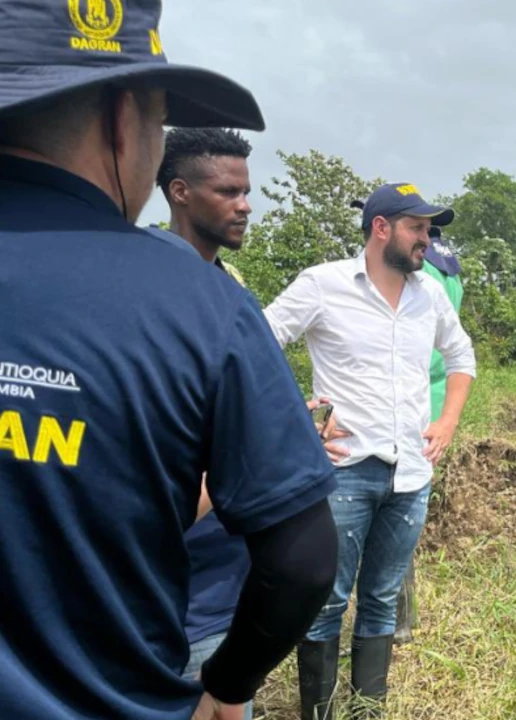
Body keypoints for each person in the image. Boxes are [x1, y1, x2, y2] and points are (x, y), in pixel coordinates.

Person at [0, 3, 339, 719]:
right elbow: (303, 559)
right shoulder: (199, 305)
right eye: (159, 123)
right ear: (125, 120)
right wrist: (229, 687)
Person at [148, 127, 355, 720]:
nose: (244, 206)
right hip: (179, 604)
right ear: (179, 192)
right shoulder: (163, 298)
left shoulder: (229, 289)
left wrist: (289, 439)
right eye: (228, 192)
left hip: (223, 591)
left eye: (247, 192)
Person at [263, 183, 477, 718]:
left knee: (382, 601)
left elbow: (461, 355)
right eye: (418, 227)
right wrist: (298, 420)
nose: (426, 239)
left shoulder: (428, 292)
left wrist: (447, 420)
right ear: (381, 227)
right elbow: (257, 344)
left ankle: (366, 712)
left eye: (429, 229)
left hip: (410, 476)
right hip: (343, 474)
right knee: (326, 602)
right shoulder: (324, 285)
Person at [393, 225, 465, 645]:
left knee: (394, 512)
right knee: (402, 515)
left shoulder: (420, 273)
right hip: (435, 403)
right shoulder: (449, 266)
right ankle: (403, 617)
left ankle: (399, 622)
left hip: (416, 403)